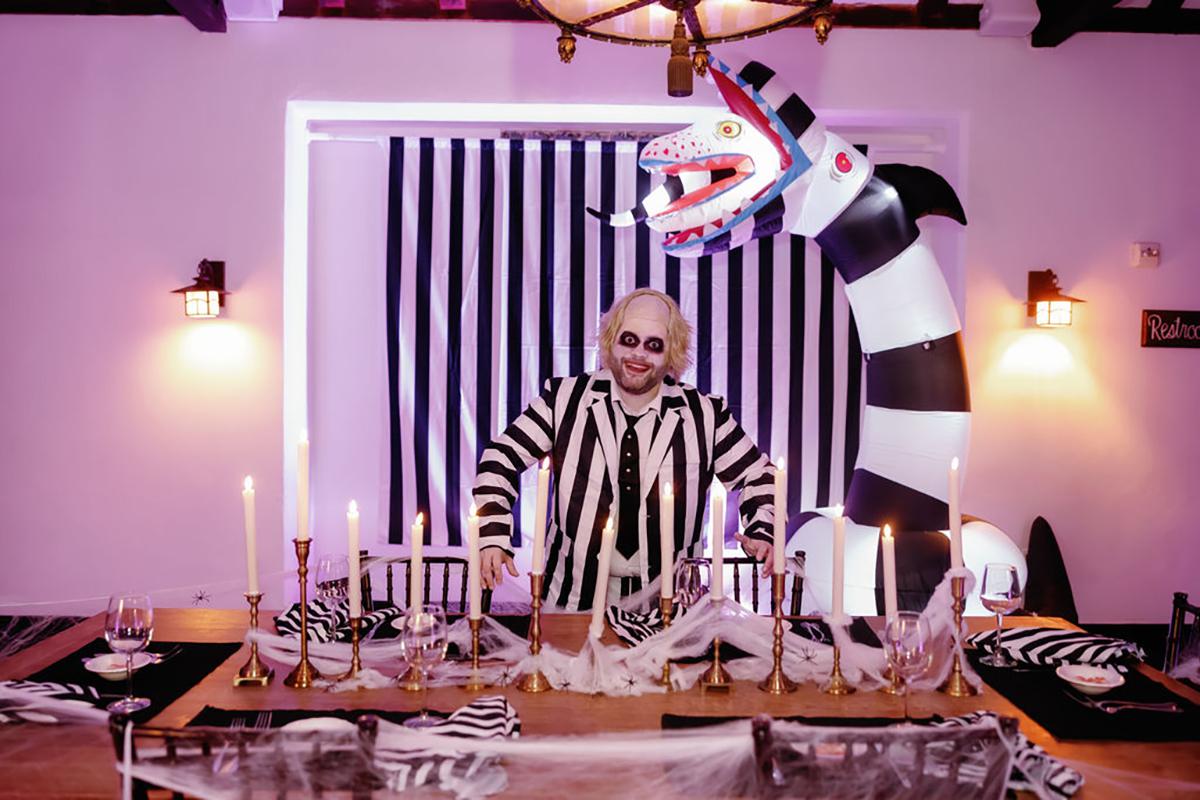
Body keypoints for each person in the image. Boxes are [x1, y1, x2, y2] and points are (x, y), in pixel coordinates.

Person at [472, 288, 777, 611]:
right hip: (571, 601)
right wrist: (493, 533)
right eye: (628, 340)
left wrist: (762, 529)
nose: (638, 354)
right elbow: (500, 458)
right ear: (610, 341)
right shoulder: (563, 399)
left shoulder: (705, 414)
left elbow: (758, 475)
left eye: (654, 345)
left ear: (672, 352)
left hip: (672, 608)